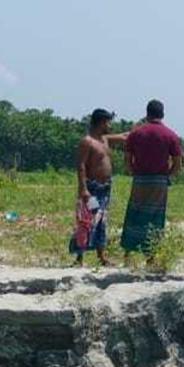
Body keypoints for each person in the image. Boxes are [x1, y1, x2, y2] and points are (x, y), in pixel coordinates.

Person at [118, 98, 183, 262]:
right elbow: (177, 163)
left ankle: (128, 254)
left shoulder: (135, 133)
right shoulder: (171, 135)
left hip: (140, 180)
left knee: (134, 213)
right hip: (159, 182)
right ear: (162, 114)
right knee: (155, 217)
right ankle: (151, 258)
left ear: (147, 113)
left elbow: (127, 161)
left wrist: (134, 173)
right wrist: (167, 176)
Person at [71, 108, 126, 266]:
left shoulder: (105, 140)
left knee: (101, 221)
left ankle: (101, 257)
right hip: (91, 188)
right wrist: (83, 189)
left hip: (104, 188)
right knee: (86, 220)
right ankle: (79, 258)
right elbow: (81, 165)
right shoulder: (87, 141)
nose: (109, 125)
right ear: (101, 122)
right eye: (108, 122)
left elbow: (124, 137)